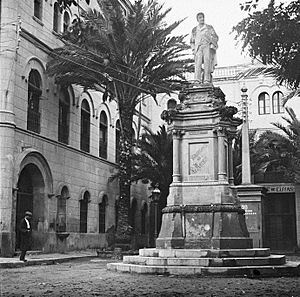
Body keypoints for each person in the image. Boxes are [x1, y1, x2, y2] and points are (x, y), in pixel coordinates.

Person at [190, 12, 218, 84]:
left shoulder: (209, 27)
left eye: (203, 17)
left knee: (207, 63)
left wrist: (212, 41)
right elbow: (192, 41)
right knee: (198, 64)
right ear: (197, 19)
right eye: (200, 17)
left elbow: (215, 37)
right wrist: (193, 49)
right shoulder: (194, 30)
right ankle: (197, 80)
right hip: (198, 48)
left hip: (207, 46)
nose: (202, 19)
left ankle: (206, 80)